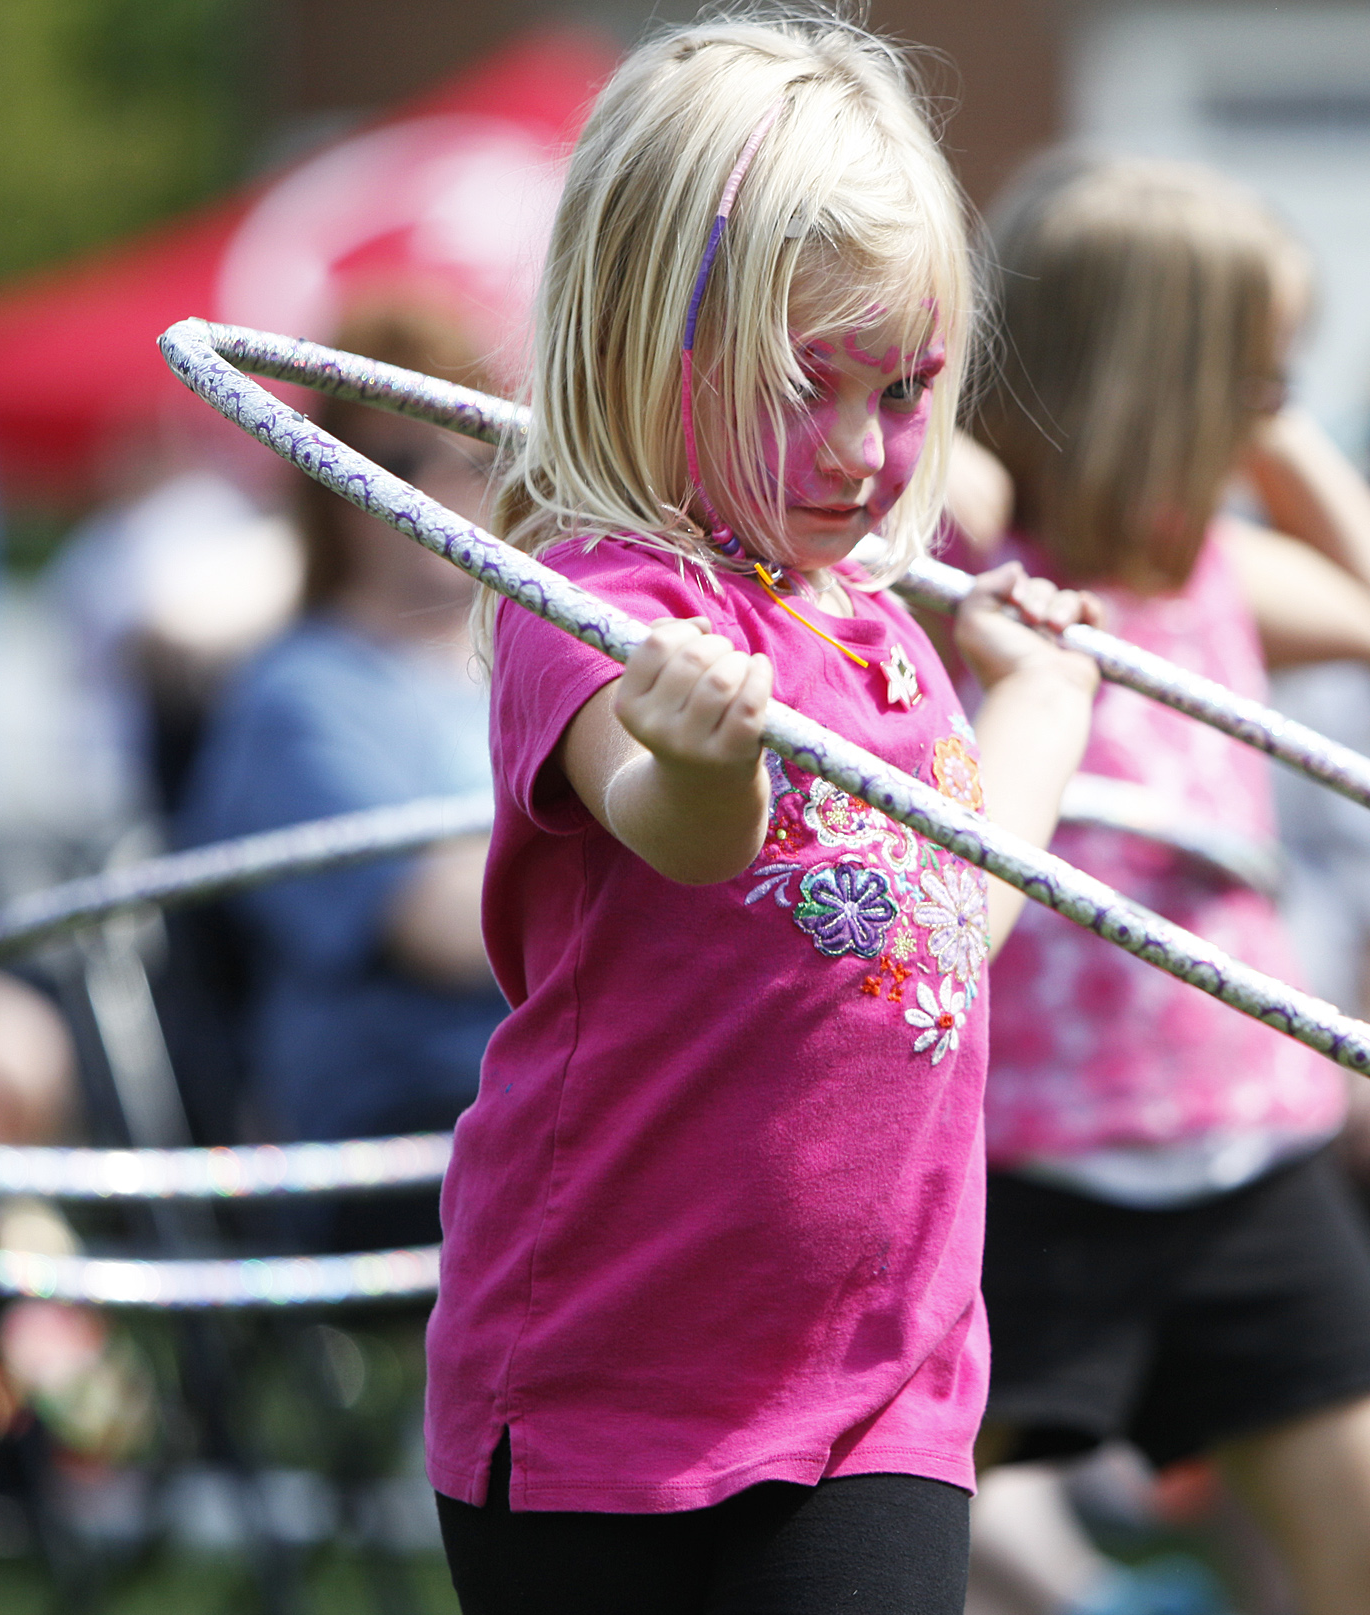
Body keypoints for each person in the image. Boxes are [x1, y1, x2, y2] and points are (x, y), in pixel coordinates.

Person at [421, 17, 1103, 1614]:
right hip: (608, 1383)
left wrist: (1051, 700)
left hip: (881, 1383)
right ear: (646, 340)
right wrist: (713, 757)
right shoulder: (592, 603)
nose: (868, 453)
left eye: (910, 386)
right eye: (810, 384)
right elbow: (681, 829)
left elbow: (944, 930)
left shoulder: (878, 635)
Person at [967, 154, 1370, 1615]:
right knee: (865, 1564)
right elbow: (942, 478)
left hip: (1241, 1158)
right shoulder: (969, 570)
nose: (1277, 411)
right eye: (1257, 378)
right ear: (1150, 373)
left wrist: (1273, 421)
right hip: (1017, 1175)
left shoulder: (1208, 578)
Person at [180, 302, 503, 1246]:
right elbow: (451, 928)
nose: (444, 486)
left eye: (475, 454)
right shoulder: (295, 699)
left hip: (545, 1086)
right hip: (403, 1128)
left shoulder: (535, 661)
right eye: (400, 465)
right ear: (334, 492)